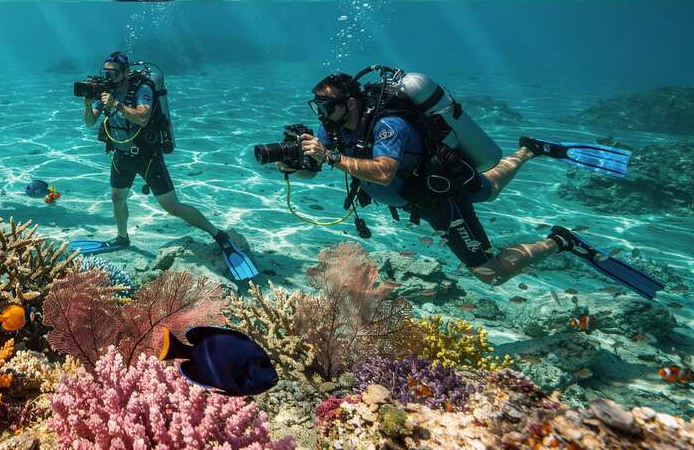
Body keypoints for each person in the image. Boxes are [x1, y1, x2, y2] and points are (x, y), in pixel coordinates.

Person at [280, 69, 662, 298]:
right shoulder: (332, 129)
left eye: (327, 106)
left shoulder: (387, 125)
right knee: (489, 189)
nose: (321, 114)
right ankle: (530, 150)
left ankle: (561, 241)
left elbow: (382, 171)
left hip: (438, 196)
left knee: (490, 273)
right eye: (318, 107)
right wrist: (293, 166)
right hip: (430, 186)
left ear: (350, 102)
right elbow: (316, 168)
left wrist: (330, 157)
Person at [71, 51, 259, 281]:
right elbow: (90, 122)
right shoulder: (105, 91)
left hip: (146, 155)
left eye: (114, 73)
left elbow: (142, 118)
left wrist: (116, 104)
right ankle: (122, 238)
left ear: (126, 72)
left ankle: (219, 235)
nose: (109, 77)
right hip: (120, 154)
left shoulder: (142, 89)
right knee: (117, 198)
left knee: (172, 205)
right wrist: (88, 104)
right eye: (106, 72)